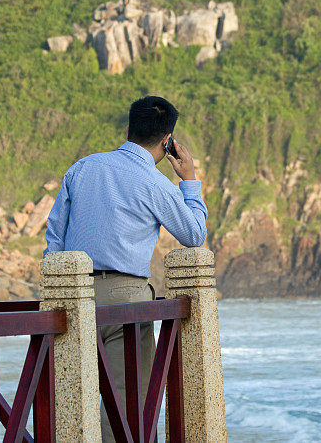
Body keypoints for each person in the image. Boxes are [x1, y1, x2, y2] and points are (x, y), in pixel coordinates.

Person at [43, 95, 207, 442]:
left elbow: (55, 236)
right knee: (124, 405)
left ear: (128, 129)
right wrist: (189, 179)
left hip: (72, 297)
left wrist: (57, 296)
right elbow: (194, 235)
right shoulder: (156, 183)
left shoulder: (82, 167)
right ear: (168, 142)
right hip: (126, 302)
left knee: (71, 399)